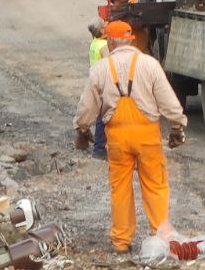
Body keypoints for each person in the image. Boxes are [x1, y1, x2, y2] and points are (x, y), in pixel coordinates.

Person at [74, 20, 187, 254]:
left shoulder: (100, 69)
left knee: (121, 189)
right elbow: (168, 100)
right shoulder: (149, 64)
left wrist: (82, 130)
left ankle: (121, 242)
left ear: (111, 40)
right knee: (155, 185)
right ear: (131, 39)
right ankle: (161, 237)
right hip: (147, 135)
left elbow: (87, 106)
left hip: (117, 137)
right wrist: (177, 126)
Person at [88, 21, 109, 159]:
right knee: (103, 116)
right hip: (103, 82)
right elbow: (110, 64)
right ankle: (99, 149)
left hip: (95, 80)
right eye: (104, 25)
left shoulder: (94, 43)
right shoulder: (103, 46)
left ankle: (100, 147)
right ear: (101, 31)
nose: (107, 25)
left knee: (101, 115)